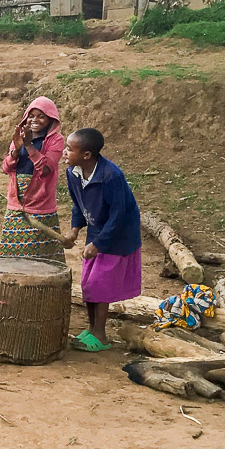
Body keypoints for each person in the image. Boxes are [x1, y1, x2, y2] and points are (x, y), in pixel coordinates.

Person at [63, 128, 142, 352]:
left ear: (87, 155)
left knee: (101, 285)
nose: (65, 153)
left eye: (70, 149)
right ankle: (91, 329)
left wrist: (98, 243)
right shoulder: (73, 172)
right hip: (97, 229)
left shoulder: (111, 176)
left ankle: (101, 335)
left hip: (118, 235)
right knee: (88, 284)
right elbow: (79, 204)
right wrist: (75, 230)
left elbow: (119, 215)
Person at [0, 97, 66, 262]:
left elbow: (45, 169)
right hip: (16, 201)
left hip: (40, 201)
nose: (35, 120)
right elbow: (6, 168)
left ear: (51, 119)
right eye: (31, 116)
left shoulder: (56, 140)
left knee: (42, 259)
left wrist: (29, 146)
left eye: (41, 116)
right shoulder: (19, 137)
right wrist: (16, 149)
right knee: (12, 256)